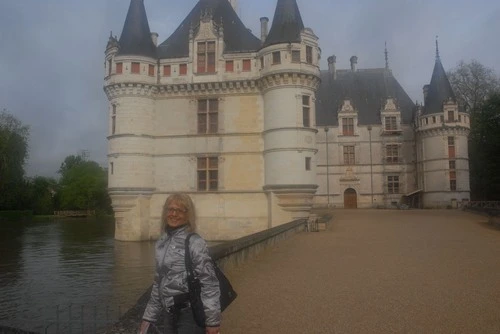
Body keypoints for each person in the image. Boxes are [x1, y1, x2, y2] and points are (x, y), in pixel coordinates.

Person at [139, 193, 221, 334]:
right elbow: (159, 282)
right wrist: (148, 317)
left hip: (189, 313)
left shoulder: (195, 242)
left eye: (179, 210)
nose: (174, 214)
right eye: (170, 209)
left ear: (188, 215)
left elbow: (209, 283)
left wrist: (213, 321)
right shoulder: (162, 242)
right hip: (168, 313)